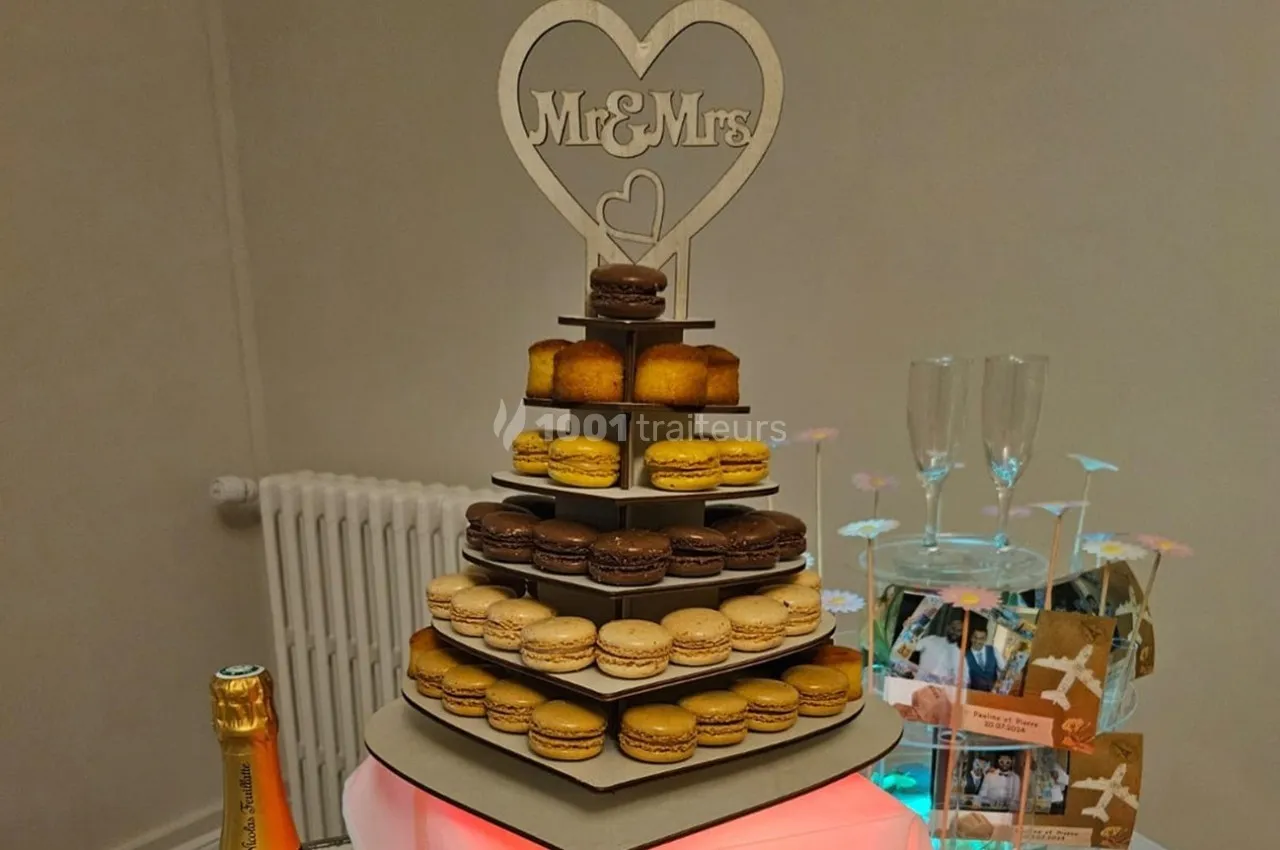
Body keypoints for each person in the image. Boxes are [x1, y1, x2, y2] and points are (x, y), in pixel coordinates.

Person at [912, 617, 965, 684]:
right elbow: (912, 645)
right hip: (918, 683)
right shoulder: (931, 639)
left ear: (962, 633)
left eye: (959, 630)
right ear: (948, 627)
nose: (955, 632)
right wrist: (910, 626)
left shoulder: (960, 655)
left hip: (938, 688)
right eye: (953, 628)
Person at [965, 619, 1007, 692]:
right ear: (971, 637)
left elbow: (1003, 669)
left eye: (981, 638)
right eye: (975, 637)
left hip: (993, 693)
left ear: (985, 639)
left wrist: (1000, 681)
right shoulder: (964, 656)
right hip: (974, 693)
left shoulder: (993, 650)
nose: (977, 641)